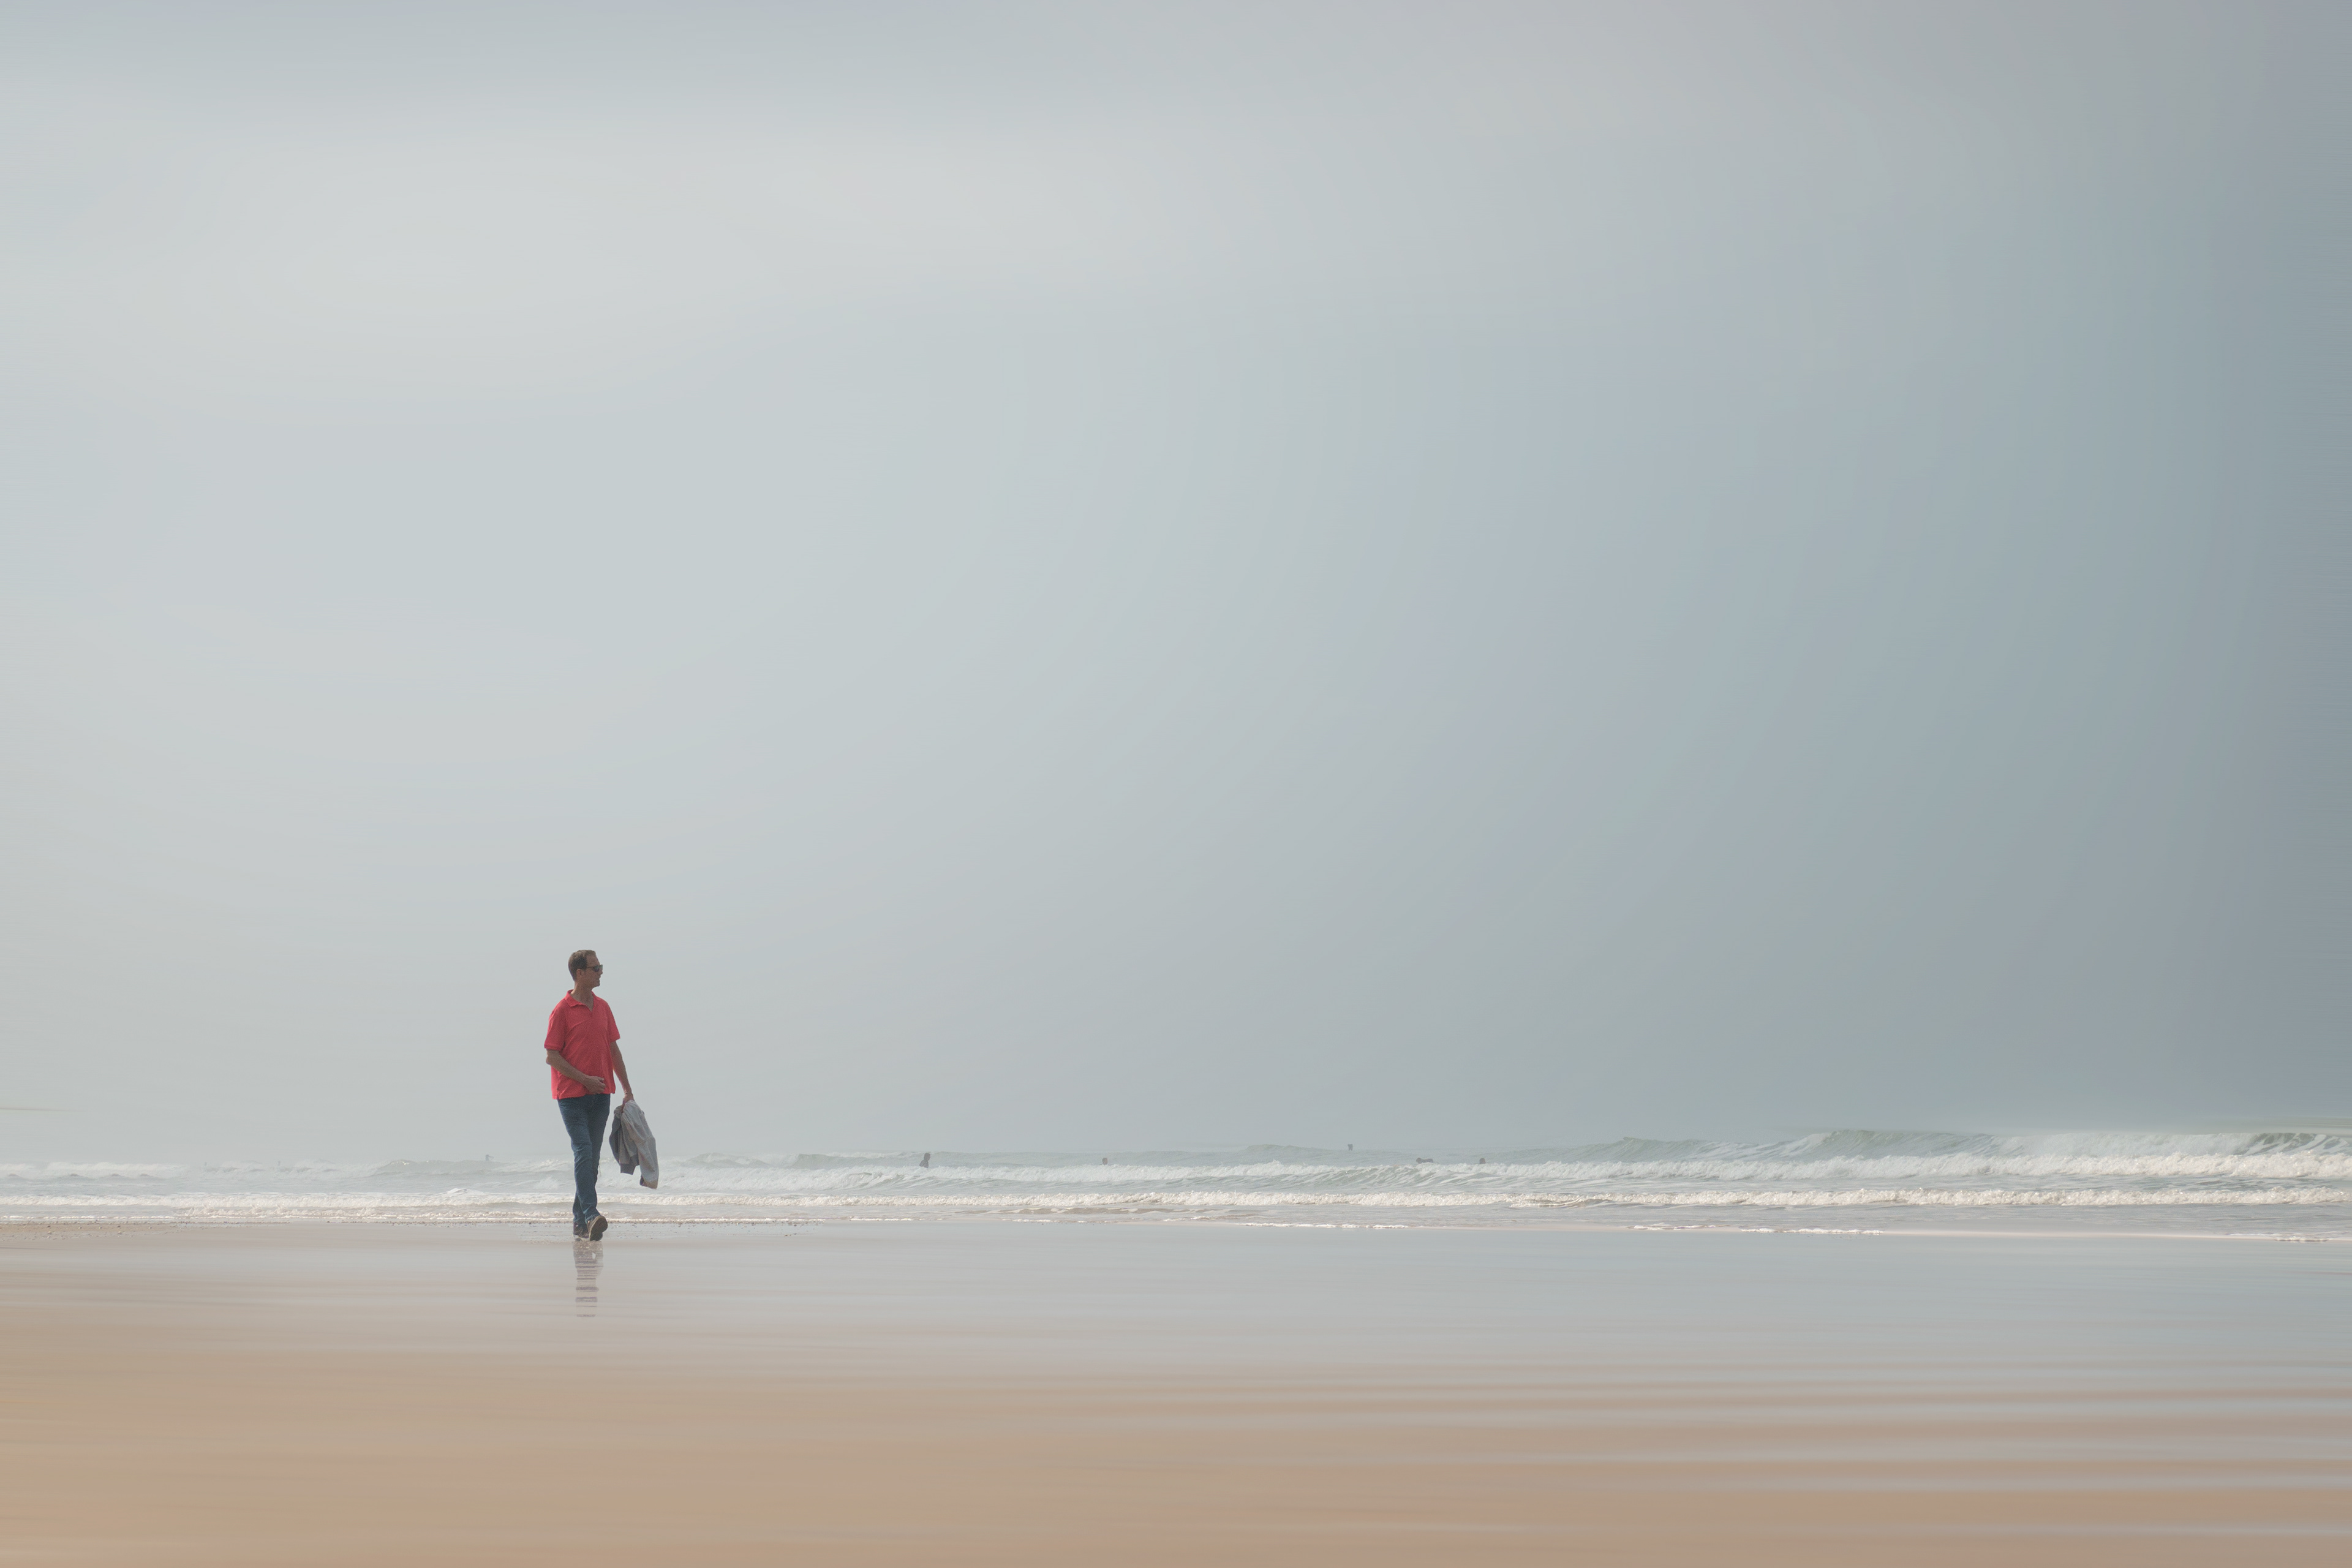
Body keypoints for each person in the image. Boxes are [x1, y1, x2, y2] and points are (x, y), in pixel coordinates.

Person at [544, 949, 633, 1240]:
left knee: (592, 1160)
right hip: (571, 1096)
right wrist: (584, 1079)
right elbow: (552, 1056)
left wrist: (628, 1089)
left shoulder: (604, 1008)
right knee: (583, 1151)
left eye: (600, 967)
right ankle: (592, 1214)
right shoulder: (562, 1010)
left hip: (602, 1095)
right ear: (579, 973)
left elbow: (613, 1049)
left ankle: (580, 1223)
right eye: (596, 968)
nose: (601, 972)